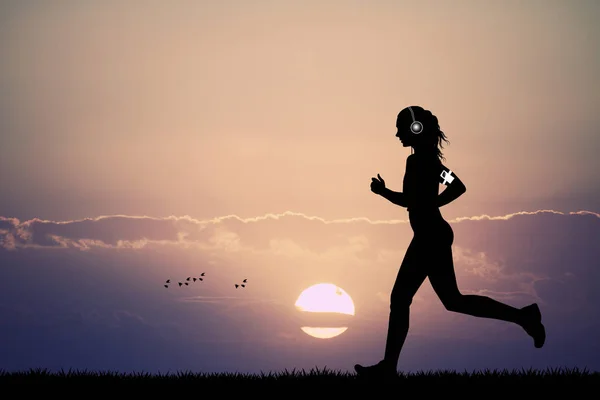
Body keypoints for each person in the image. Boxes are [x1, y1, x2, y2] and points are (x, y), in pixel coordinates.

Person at [354, 106, 546, 378]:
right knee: (451, 301)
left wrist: (422, 201)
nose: (397, 133)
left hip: (431, 237)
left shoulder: (426, 162)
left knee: (401, 298)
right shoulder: (420, 161)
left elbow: (454, 187)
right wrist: (388, 193)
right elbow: (421, 199)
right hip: (430, 236)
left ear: (415, 128)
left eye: (400, 127)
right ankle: (523, 317)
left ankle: (388, 368)